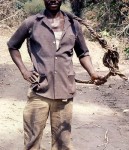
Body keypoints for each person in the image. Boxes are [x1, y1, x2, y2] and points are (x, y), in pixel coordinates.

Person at [7, 0, 106, 149]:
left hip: (64, 93)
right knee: (32, 143)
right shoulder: (32, 22)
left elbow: (83, 53)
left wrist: (92, 72)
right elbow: (12, 46)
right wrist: (24, 71)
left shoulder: (73, 24)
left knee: (63, 144)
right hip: (39, 92)